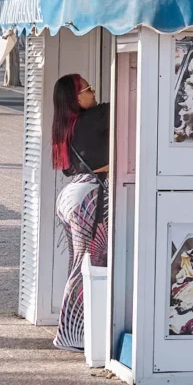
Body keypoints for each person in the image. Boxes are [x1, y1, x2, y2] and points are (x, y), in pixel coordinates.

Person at [51, 74, 111, 352]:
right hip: (89, 197)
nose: (93, 92)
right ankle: (70, 335)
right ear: (77, 98)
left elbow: (67, 168)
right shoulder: (97, 116)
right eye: (88, 89)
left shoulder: (67, 126)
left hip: (70, 196)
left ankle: (76, 330)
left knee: (76, 264)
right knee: (88, 263)